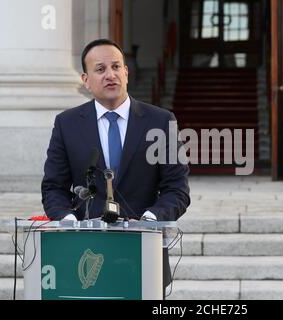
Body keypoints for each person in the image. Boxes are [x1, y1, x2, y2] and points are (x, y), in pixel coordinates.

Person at [41, 38, 190, 291]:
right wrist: (67, 221)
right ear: (85, 80)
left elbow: (177, 190)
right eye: (100, 69)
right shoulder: (66, 124)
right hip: (83, 253)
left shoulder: (161, 121)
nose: (110, 75)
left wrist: (149, 220)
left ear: (126, 72)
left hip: (144, 252)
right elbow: (53, 187)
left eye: (116, 67)